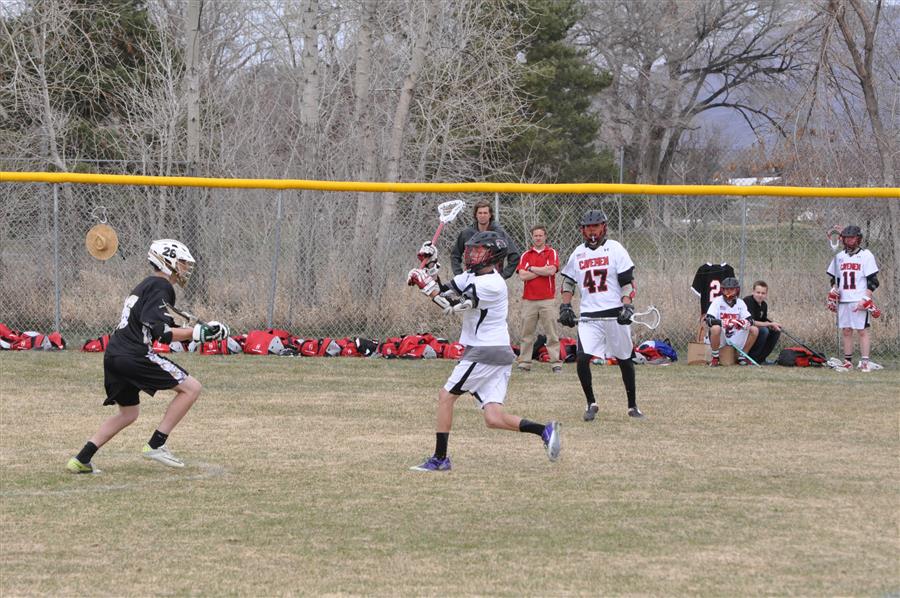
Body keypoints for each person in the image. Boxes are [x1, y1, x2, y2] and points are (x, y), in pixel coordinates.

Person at [66, 239, 229, 473]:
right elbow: (161, 333)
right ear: (168, 262)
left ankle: (81, 459)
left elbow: (160, 327)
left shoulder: (147, 285)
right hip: (134, 354)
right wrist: (197, 333)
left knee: (128, 413)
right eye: (182, 262)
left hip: (114, 355)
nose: (185, 268)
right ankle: (156, 444)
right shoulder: (161, 287)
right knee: (192, 388)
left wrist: (198, 332)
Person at [407, 231, 560, 471]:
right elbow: (446, 291)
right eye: (472, 250)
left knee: (446, 397)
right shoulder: (471, 275)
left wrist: (426, 286)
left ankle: (440, 458)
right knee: (493, 418)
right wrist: (431, 266)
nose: (472, 255)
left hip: (485, 350)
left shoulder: (493, 284)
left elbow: (452, 305)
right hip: (496, 352)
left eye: (479, 251)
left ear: (493, 256)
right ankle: (544, 430)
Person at [558, 209, 643, 421]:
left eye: (595, 226)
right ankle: (591, 403)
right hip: (589, 315)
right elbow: (568, 282)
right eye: (588, 227)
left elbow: (627, 282)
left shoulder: (615, 249)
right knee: (582, 358)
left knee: (624, 359)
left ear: (603, 227)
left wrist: (627, 306)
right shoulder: (578, 253)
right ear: (582, 230)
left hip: (614, 313)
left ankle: (632, 406)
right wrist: (565, 306)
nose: (592, 231)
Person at [825, 225, 881, 372]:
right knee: (846, 330)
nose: (849, 240)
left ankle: (865, 361)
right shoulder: (839, 257)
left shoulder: (866, 255)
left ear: (858, 239)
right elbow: (834, 278)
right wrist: (834, 290)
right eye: (847, 238)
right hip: (843, 300)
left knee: (862, 331)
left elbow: (873, 281)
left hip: (858, 300)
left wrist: (866, 298)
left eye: (852, 238)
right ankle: (847, 361)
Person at [515, 225, 562, 373]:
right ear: (532, 237)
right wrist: (542, 271)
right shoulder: (526, 255)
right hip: (529, 300)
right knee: (526, 333)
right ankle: (524, 363)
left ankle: (555, 363)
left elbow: (551, 270)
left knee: (551, 332)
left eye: (540, 235)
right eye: (535, 235)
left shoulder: (551, 252)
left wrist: (531, 268)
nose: (538, 238)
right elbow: (522, 275)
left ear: (545, 236)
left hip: (547, 299)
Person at [450, 200, 520, 279]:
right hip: (471, 278)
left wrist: (503, 276)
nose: (482, 215)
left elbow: (514, 256)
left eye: (485, 213)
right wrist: (459, 276)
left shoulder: (499, 233)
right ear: (476, 215)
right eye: (480, 213)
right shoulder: (467, 233)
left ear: (490, 215)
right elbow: (455, 255)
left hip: (492, 279)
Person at [704, 277, 758, 366]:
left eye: (732, 289)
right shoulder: (717, 301)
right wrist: (723, 322)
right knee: (715, 328)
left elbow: (750, 320)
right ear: (722, 290)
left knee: (754, 330)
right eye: (726, 290)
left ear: (737, 290)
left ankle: (742, 356)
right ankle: (715, 358)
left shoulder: (740, 303)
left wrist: (743, 323)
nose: (729, 292)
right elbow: (709, 320)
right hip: (721, 335)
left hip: (735, 333)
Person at [744, 280, 782, 364]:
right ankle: (752, 358)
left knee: (776, 331)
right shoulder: (748, 301)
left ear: (766, 294)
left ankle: (761, 359)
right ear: (753, 292)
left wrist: (773, 324)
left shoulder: (764, 305)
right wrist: (769, 324)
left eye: (763, 293)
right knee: (764, 331)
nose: (760, 295)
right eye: (758, 292)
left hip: (757, 328)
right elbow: (752, 321)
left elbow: (763, 319)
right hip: (745, 329)